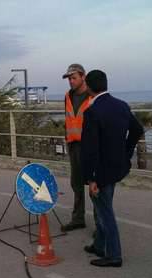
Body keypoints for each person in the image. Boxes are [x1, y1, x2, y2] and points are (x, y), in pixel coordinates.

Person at [81, 70, 143, 267]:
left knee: (105, 211)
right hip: (117, 167)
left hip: (101, 171)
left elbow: (90, 149)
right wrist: (126, 152)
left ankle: (114, 255)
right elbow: (137, 130)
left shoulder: (92, 112)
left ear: (88, 87)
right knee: (101, 206)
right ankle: (99, 244)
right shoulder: (121, 105)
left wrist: (91, 179)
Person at [61, 63, 93, 232]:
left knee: (94, 184)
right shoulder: (67, 96)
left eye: (74, 78)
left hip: (89, 146)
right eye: (69, 79)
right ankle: (78, 218)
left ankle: (100, 224)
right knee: (76, 183)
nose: (71, 82)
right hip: (73, 144)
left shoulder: (92, 96)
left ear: (83, 77)